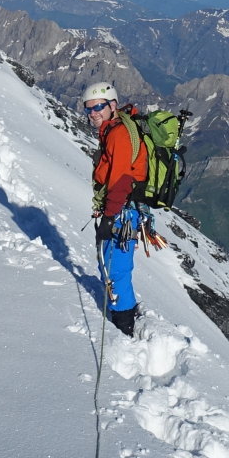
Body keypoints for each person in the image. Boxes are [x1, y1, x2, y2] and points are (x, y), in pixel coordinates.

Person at [83, 82, 147, 337]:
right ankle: (122, 312)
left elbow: (121, 180)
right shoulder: (113, 130)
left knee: (116, 268)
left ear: (112, 105)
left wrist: (109, 218)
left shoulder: (118, 135)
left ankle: (124, 324)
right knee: (111, 264)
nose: (93, 113)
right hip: (121, 209)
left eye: (98, 107)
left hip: (122, 212)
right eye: (88, 109)